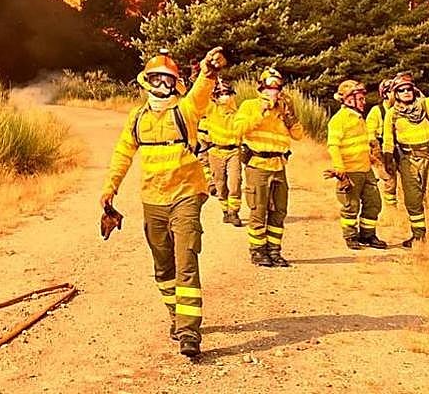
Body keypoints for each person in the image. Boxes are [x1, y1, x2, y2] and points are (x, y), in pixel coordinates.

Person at [101, 46, 226, 359]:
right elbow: (122, 154)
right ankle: (175, 314)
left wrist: (208, 72)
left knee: (186, 262)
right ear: (146, 81)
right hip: (152, 200)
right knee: (163, 266)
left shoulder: (184, 112)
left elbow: (200, 94)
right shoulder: (137, 119)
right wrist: (110, 188)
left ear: (176, 85)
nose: (161, 86)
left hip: (186, 195)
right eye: (156, 79)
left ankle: (188, 332)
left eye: (168, 81)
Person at [235, 67, 303, 267]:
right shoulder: (250, 106)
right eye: (269, 87)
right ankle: (258, 251)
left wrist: (290, 116)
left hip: (279, 164)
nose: (273, 92)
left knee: (279, 210)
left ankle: (274, 250)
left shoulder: (283, 109)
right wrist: (262, 110)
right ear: (261, 88)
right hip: (257, 164)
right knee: (259, 209)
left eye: (277, 88)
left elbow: (298, 135)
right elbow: (238, 129)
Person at [380, 71, 429, 246]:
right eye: (401, 90)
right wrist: (387, 160)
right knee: (412, 199)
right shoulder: (392, 114)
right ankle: (418, 236)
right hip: (408, 159)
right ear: (396, 94)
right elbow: (388, 140)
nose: (406, 92)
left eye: (408, 89)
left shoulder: (424, 105)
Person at [327, 80, 388, 250]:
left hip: (366, 170)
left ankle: (368, 236)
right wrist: (340, 168)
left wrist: (372, 159)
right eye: (360, 98)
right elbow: (333, 146)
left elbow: (359, 144)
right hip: (350, 171)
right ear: (348, 100)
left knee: (374, 203)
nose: (364, 101)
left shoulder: (359, 117)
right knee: (351, 206)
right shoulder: (339, 120)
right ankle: (351, 236)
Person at [198, 80, 243, 227]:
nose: (225, 97)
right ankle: (225, 211)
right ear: (215, 97)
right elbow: (202, 135)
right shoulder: (210, 111)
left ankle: (234, 212)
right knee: (220, 185)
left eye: (227, 93)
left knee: (234, 183)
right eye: (221, 94)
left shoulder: (238, 114)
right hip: (215, 152)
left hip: (233, 151)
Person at [365, 79, 398, 207]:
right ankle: (390, 208)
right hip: (381, 148)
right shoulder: (376, 111)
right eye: (393, 92)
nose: (396, 94)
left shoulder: (400, 109)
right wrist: (376, 150)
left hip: (398, 147)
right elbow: (369, 132)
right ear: (385, 94)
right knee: (389, 179)